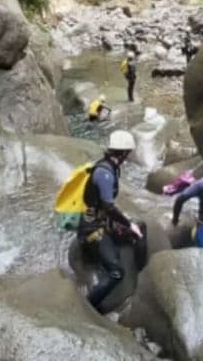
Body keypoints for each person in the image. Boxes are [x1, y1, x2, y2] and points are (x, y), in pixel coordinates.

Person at [79, 130, 145, 312]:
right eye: (128, 153)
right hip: (92, 229)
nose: (129, 156)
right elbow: (108, 206)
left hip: (102, 221)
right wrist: (127, 223)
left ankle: (140, 272)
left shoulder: (111, 167)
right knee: (116, 274)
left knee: (139, 228)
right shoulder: (104, 173)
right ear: (122, 153)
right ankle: (87, 307)